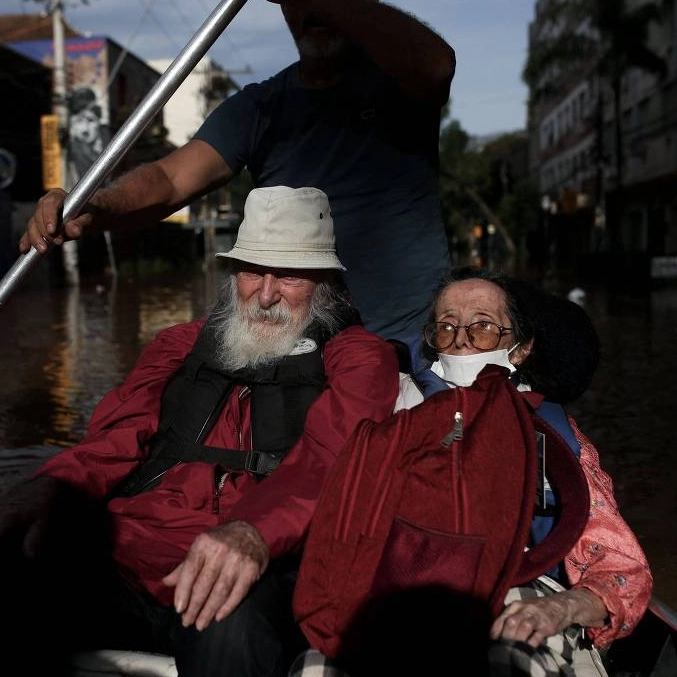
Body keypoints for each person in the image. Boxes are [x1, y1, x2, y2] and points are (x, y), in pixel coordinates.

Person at [0, 186, 399, 677]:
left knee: (228, 625)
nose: (267, 294)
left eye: (291, 275)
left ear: (325, 284)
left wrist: (254, 531)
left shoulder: (359, 357)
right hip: (130, 551)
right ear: (234, 275)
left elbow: (330, 459)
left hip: (256, 558)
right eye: (253, 271)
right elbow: (112, 441)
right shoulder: (177, 345)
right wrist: (49, 487)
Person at [289, 267, 652, 677]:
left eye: (482, 326)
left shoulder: (551, 436)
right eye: (446, 326)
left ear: (520, 347)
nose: (460, 338)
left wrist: (559, 607)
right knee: (317, 668)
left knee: (507, 659)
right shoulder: (395, 413)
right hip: (400, 592)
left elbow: (623, 570)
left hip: (523, 591)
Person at [20, 0, 456, 340]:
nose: (315, 10)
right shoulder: (259, 107)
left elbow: (437, 67)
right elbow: (169, 181)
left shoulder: (402, 80)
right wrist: (92, 205)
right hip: (306, 342)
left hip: (410, 337)